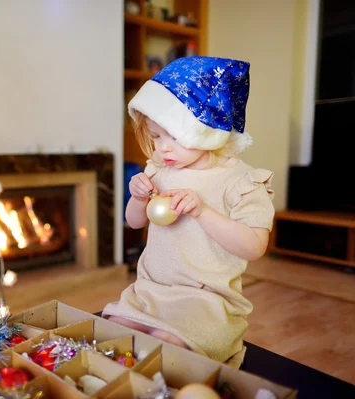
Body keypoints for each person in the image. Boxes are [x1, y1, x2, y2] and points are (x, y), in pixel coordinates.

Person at [103, 56, 275, 363]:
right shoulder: (158, 169)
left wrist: (202, 211)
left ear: (206, 130)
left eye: (176, 136)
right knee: (114, 334)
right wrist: (138, 198)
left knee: (167, 347)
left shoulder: (240, 181)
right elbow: (134, 222)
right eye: (155, 136)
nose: (163, 148)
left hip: (206, 302)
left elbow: (254, 247)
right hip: (151, 291)